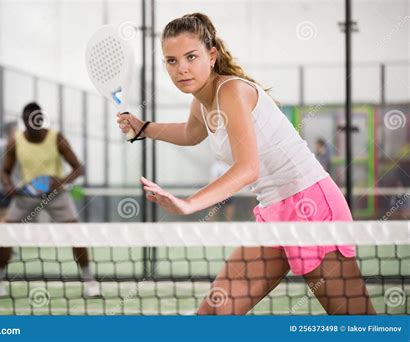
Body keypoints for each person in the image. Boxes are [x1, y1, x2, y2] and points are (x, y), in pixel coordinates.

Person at [117, 13, 375, 315]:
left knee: (359, 324)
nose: (181, 68)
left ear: (211, 56)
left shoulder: (231, 91)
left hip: (313, 207)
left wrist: (190, 204)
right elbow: (190, 133)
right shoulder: (202, 100)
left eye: (190, 57)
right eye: (171, 61)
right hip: (273, 212)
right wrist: (142, 127)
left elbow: (247, 168)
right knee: (214, 313)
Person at [0, 102, 100, 298]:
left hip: (56, 195)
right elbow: (5, 172)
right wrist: (8, 185)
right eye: (28, 120)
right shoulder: (15, 141)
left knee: (75, 234)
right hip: (26, 196)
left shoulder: (57, 138)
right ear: (24, 122)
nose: (32, 124)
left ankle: (90, 283)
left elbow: (79, 168)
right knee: (6, 235)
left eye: (36, 120)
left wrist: (60, 181)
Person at [0, 121, 20, 223]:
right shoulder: (20, 146)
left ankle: (2, 238)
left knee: (2, 216)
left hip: (2, 187)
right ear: (13, 131)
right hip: (18, 187)